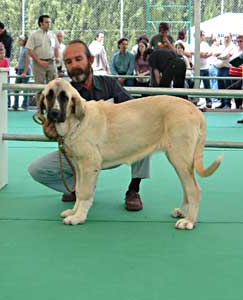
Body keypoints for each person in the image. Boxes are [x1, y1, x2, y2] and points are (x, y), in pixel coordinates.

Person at [28, 40, 150, 211]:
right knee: (37, 169)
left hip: (113, 148)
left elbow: (133, 114)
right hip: (77, 151)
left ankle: (133, 190)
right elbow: (53, 128)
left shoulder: (110, 84)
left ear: (91, 60)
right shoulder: (64, 91)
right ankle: (77, 189)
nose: (74, 65)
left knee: (143, 137)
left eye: (78, 59)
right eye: (69, 62)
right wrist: (50, 131)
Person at [26, 15, 59, 85]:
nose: (49, 24)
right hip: (38, 64)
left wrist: (57, 57)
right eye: (47, 22)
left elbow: (56, 47)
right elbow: (29, 50)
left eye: (50, 22)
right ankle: (39, 96)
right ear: (41, 23)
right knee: (39, 85)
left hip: (51, 62)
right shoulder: (34, 35)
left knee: (55, 84)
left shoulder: (52, 34)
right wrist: (39, 61)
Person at [214, 33, 235, 109]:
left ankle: (228, 103)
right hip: (220, 68)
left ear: (231, 38)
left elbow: (227, 56)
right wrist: (221, 56)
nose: (226, 38)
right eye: (225, 37)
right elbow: (215, 53)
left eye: (228, 37)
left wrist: (220, 56)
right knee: (221, 86)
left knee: (228, 86)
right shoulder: (222, 46)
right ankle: (222, 102)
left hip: (227, 68)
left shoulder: (233, 47)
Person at [13, 34, 32, 111]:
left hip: (25, 70)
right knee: (16, 88)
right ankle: (16, 105)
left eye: (20, 40)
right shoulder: (22, 49)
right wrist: (17, 65)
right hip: (20, 69)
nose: (18, 41)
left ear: (24, 41)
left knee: (25, 89)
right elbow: (21, 59)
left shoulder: (27, 49)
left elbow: (28, 61)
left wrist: (24, 72)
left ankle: (25, 105)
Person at [229, 34, 243, 109]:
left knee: (240, 89)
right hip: (233, 72)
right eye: (238, 41)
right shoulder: (235, 49)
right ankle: (237, 105)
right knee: (235, 89)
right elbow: (229, 58)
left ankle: (240, 105)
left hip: (241, 73)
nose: (239, 43)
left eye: (241, 41)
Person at [199, 31, 213, 108]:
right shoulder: (195, 44)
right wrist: (202, 54)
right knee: (196, 85)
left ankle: (209, 101)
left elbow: (210, 53)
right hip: (198, 68)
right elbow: (196, 53)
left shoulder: (206, 44)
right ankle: (195, 100)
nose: (204, 37)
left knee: (207, 85)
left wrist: (204, 54)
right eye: (203, 35)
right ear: (200, 36)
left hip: (206, 67)